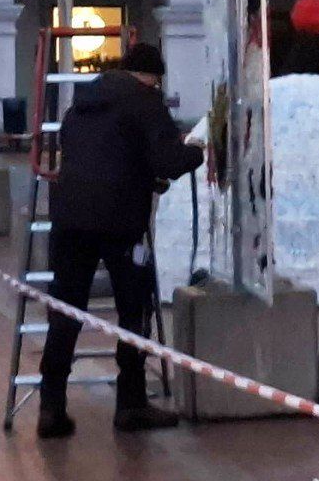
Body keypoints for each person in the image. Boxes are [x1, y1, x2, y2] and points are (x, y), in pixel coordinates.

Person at [37, 42, 203, 439]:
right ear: (150, 76)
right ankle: (130, 404)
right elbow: (167, 161)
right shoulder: (144, 102)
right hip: (120, 222)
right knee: (134, 308)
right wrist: (196, 151)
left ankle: (51, 406)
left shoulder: (80, 105)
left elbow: (101, 153)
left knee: (66, 310)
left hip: (69, 219)